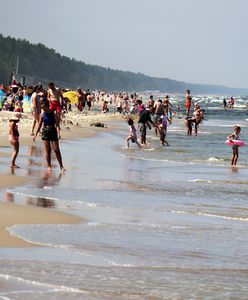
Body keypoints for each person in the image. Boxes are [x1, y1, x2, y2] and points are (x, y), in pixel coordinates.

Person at [33, 99, 65, 172]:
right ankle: (49, 166)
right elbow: (39, 125)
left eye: (43, 107)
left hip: (53, 131)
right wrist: (35, 134)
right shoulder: (42, 114)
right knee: (48, 150)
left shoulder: (53, 113)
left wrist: (59, 133)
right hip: (45, 132)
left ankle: (61, 166)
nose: (42, 108)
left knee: (56, 150)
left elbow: (57, 125)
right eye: (41, 107)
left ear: (47, 106)